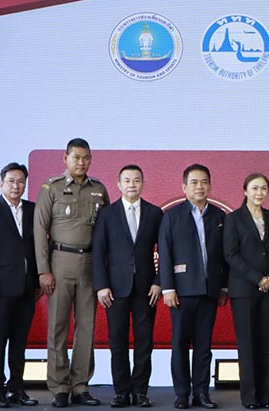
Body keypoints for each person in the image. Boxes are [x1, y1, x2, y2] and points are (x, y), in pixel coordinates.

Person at [34, 138, 110, 407]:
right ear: (65, 158)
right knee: (57, 326)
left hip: (90, 263)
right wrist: (43, 270)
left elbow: (107, 231)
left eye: (86, 157)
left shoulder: (99, 189)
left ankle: (80, 385)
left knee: (86, 327)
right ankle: (59, 387)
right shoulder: (51, 188)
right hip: (60, 261)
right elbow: (39, 230)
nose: (81, 162)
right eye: (76, 157)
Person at [92, 165, 164, 408]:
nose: (132, 184)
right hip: (114, 289)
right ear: (118, 184)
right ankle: (121, 392)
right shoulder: (107, 214)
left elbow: (165, 250)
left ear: (142, 183)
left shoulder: (155, 213)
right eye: (127, 180)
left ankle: (141, 392)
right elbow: (98, 252)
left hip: (146, 289)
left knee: (145, 343)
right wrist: (101, 285)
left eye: (136, 180)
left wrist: (159, 281)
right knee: (117, 343)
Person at [159, 164, 229, 410]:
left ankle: (201, 393)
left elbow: (225, 256)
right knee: (179, 344)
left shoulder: (219, 216)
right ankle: (181, 393)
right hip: (181, 291)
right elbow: (165, 253)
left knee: (204, 345)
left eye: (204, 182)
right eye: (195, 182)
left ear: (210, 185)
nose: (200, 187)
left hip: (210, 291)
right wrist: (167, 288)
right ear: (184, 187)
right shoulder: (172, 216)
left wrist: (224, 287)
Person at [0, 163, 40, 408]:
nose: (16, 186)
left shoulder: (33, 209)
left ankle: (17, 388)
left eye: (21, 181)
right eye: (11, 181)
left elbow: (37, 248)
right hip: (1, 288)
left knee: (20, 341)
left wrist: (37, 281)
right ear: (1, 183)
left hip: (27, 287)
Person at [223, 173, 269, 409]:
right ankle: (249, 398)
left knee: (267, 344)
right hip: (244, 290)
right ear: (245, 191)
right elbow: (231, 254)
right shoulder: (233, 219)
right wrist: (257, 278)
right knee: (247, 344)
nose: (260, 193)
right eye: (255, 188)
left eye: (263, 188)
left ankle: (265, 397)